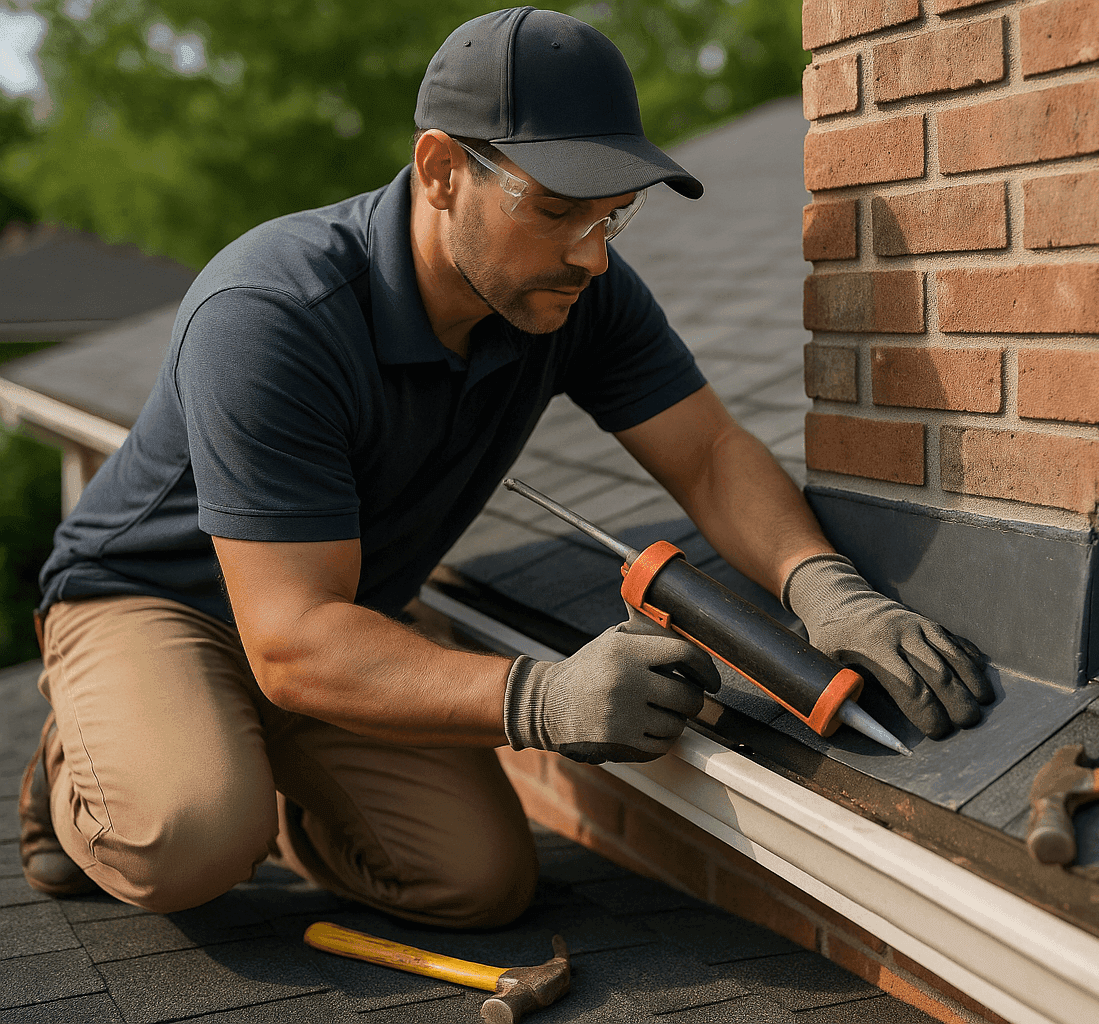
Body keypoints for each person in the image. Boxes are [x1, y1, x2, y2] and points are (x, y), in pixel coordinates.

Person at [17, 8, 992, 927]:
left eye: (615, 215)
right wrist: (541, 698)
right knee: (189, 841)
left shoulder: (572, 289)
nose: (592, 254)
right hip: (159, 601)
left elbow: (706, 452)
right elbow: (288, 637)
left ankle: (243, 765)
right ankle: (88, 760)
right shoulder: (275, 313)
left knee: (478, 881)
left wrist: (823, 588)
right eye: (560, 208)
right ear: (441, 170)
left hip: (334, 609)